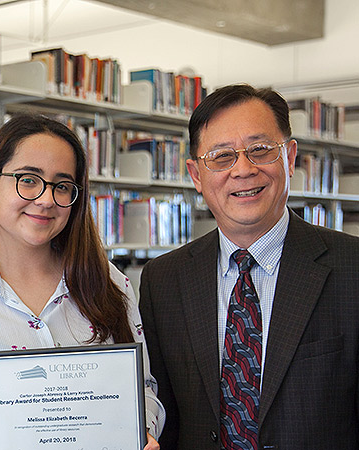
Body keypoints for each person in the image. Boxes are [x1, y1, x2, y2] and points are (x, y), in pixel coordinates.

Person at [0, 114, 164, 450]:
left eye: (62, 186)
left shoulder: (109, 282)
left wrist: (142, 431)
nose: (46, 199)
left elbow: (144, 388)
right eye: (29, 180)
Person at [139, 84, 359, 449]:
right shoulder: (165, 280)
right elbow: (165, 415)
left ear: (289, 158)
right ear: (196, 176)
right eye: (222, 157)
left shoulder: (352, 268)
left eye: (260, 150)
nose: (243, 169)